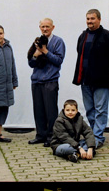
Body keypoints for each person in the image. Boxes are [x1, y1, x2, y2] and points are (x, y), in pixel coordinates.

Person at [72, 9, 109, 149]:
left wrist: (104, 71)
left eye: (92, 18)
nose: (90, 21)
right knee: (89, 110)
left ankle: (98, 137)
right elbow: (80, 54)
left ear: (99, 19)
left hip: (101, 81)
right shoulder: (83, 36)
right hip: (85, 80)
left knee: (100, 110)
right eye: (88, 19)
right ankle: (94, 135)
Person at [27, 18, 65, 147]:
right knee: (38, 110)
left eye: (47, 26)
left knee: (50, 111)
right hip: (36, 81)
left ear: (53, 27)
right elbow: (31, 63)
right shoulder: (37, 42)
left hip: (50, 81)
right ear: (39, 27)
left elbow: (58, 60)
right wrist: (36, 54)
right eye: (42, 26)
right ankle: (40, 135)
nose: (45, 29)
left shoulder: (58, 41)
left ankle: (51, 136)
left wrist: (45, 51)